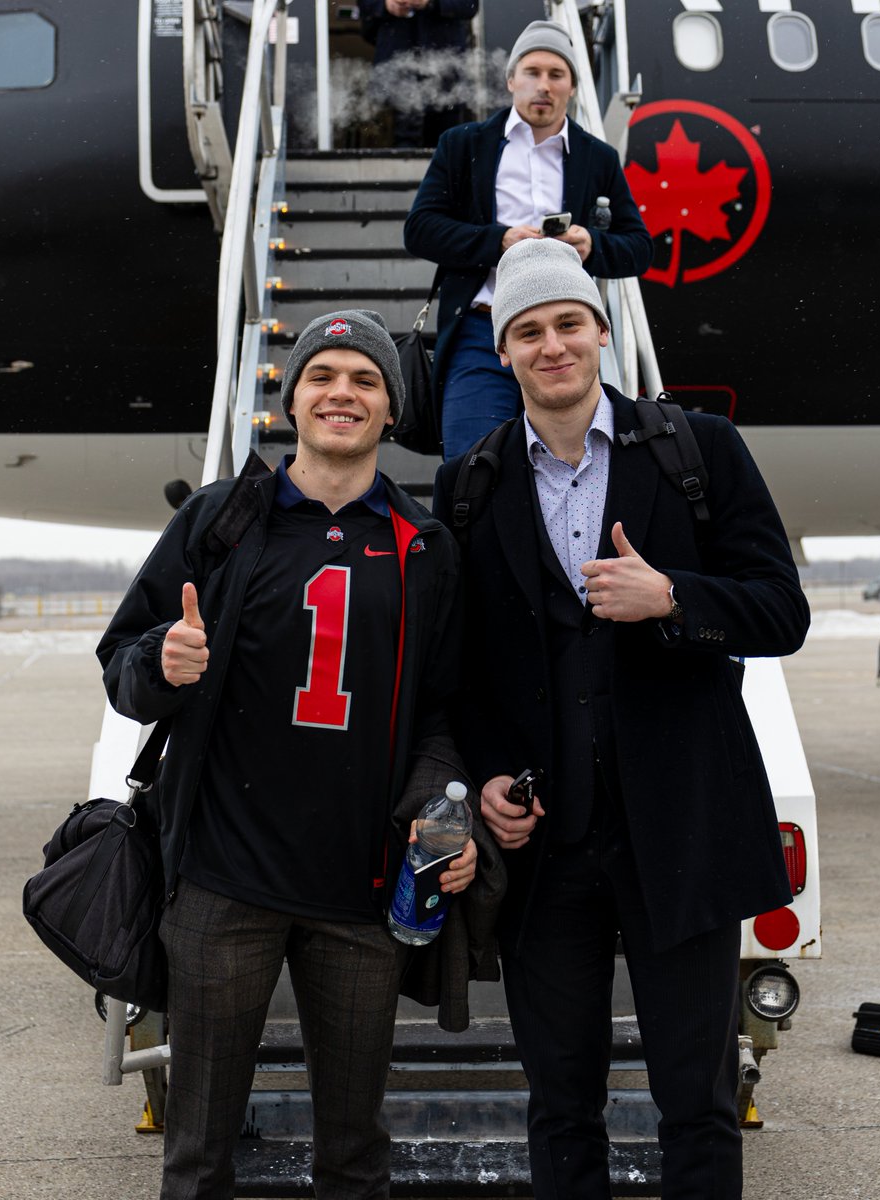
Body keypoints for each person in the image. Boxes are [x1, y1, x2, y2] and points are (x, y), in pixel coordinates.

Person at [433, 239, 811, 1199]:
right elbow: (461, 673)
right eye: (528, 331)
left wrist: (673, 597)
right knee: (561, 1104)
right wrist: (483, 778)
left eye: (567, 323)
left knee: (698, 1100)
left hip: (682, 830)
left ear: (600, 332)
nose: (551, 345)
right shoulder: (471, 484)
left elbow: (782, 610)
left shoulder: (697, 451)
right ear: (503, 349)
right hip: (549, 850)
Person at [97, 309, 503, 1200]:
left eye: (365, 379)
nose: (342, 394)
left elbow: (445, 714)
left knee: (354, 1154)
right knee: (199, 1151)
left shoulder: (425, 548)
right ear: (291, 401)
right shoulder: (219, 522)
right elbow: (121, 668)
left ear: (391, 411)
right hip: (219, 888)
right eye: (322, 376)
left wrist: (442, 805)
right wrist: (163, 663)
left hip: (358, 902)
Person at [404, 18, 654, 459]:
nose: (544, 85)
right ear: (510, 80)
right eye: (533, 73)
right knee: (470, 468)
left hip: (568, 338)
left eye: (557, 75)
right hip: (483, 332)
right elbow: (420, 230)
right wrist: (499, 241)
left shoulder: (598, 157)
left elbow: (638, 249)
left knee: (577, 468)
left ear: (572, 87)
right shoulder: (463, 144)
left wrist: (591, 246)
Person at [359, 0, 478, 149]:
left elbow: (469, 5)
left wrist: (431, 3)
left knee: (446, 146)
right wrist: (385, 5)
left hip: (445, 69)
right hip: (396, 66)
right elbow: (365, 5)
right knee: (402, 146)